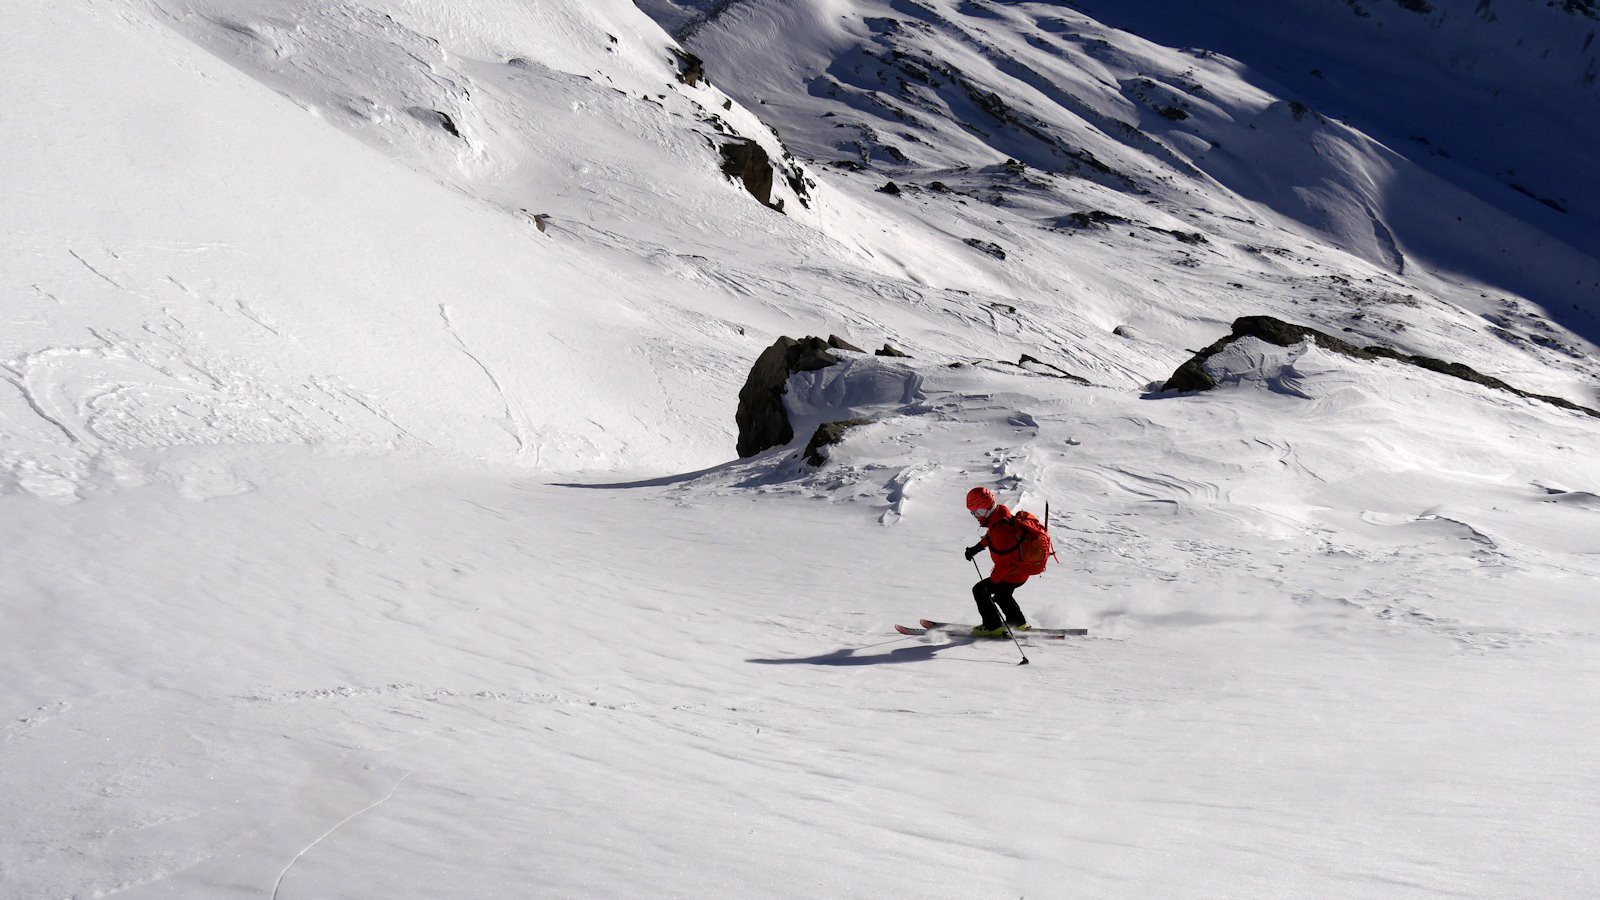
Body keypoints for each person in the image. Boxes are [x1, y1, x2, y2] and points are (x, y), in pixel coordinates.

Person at [963, 487, 1032, 638]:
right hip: (1020, 571)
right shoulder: (999, 516)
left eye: (975, 512)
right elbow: (990, 536)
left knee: (980, 590)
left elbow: (1004, 564)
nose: (975, 516)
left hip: (1012, 573)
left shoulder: (1001, 530)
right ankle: (1018, 623)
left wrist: (992, 583)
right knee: (1002, 595)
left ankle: (992, 627)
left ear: (984, 509)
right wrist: (976, 548)